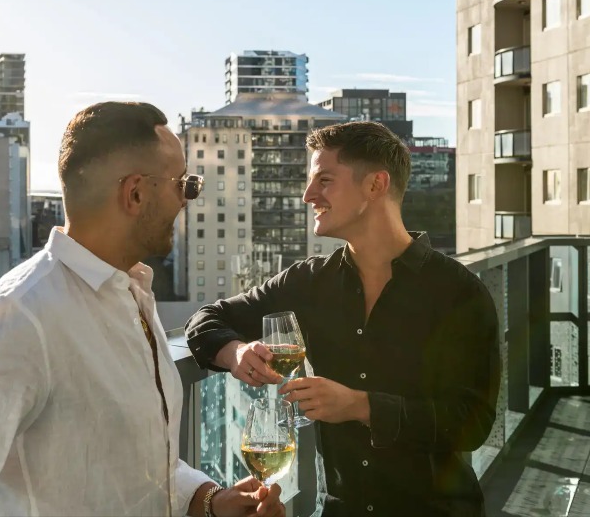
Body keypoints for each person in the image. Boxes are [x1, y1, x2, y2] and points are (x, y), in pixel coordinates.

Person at [0, 101, 284, 517]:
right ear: (136, 193)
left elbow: (132, 464)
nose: (186, 200)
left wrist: (208, 501)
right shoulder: (18, 317)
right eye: (183, 184)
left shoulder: (131, 293)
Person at [186, 121, 500, 517]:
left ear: (375, 185)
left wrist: (361, 406)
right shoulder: (307, 281)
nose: (308, 195)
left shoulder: (458, 292)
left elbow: (472, 423)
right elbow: (206, 319)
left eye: (325, 180)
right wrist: (235, 351)